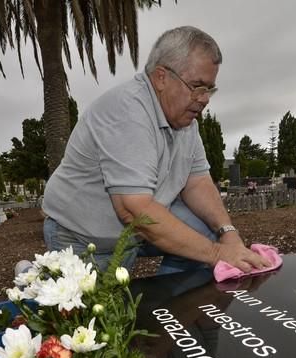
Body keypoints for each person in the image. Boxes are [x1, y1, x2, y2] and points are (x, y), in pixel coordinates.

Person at [42, 25, 270, 274]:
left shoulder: (185, 121)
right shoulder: (127, 112)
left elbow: (197, 182)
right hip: (84, 237)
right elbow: (134, 210)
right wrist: (217, 254)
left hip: (134, 231)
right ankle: (31, 279)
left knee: (205, 233)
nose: (205, 99)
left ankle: (172, 310)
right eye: (198, 86)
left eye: (210, 89)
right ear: (161, 77)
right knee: (100, 310)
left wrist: (228, 234)